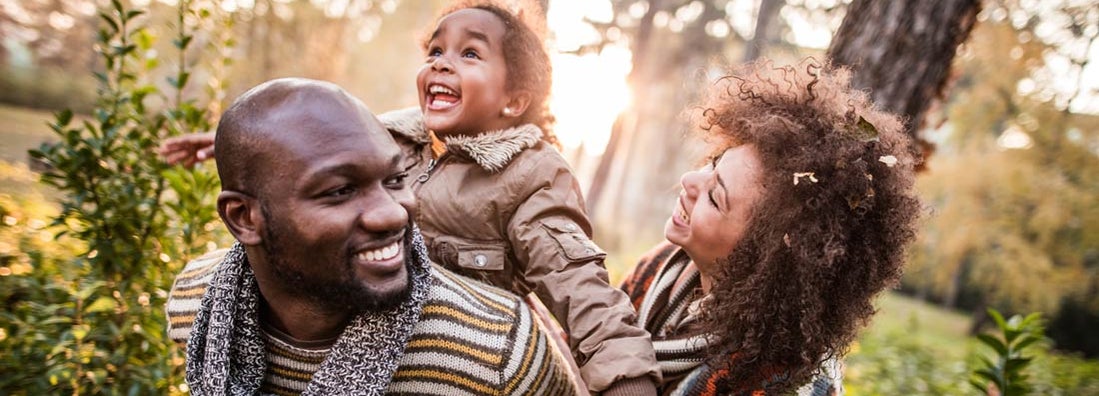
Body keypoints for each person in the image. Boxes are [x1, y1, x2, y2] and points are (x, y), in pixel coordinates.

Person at [160, 2, 660, 394]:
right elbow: (299, 148)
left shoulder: (529, 175)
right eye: (435, 52)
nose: (442, 64)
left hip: (460, 344)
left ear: (514, 100)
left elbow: (579, 284)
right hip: (361, 315)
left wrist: (625, 377)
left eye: (469, 54)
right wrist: (223, 143)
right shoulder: (394, 138)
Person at [165, 77, 580, 395]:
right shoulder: (192, 304)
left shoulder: (498, 352)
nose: (392, 212)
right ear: (244, 218)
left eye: (396, 178)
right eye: (339, 191)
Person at [619, 59, 922, 395]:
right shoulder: (662, 266)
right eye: (714, 163)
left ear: (762, 255)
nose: (689, 180)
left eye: (715, 198)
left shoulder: (788, 385)